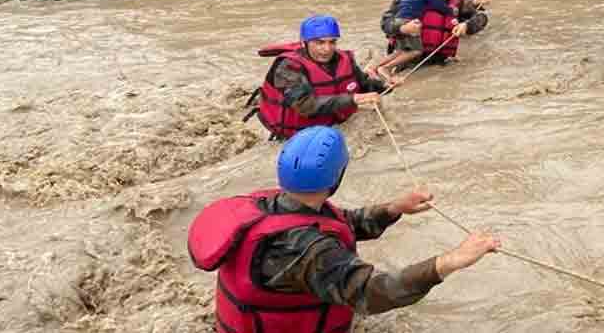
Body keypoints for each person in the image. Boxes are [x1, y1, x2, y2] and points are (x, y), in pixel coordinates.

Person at [188, 126, 501, 333]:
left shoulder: (270, 202)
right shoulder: (310, 251)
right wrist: (453, 260)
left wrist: (394, 208)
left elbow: (341, 222)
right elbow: (372, 293)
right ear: (336, 177)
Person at [249, 15, 396, 140]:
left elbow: (362, 84)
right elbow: (305, 105)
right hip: (294, 135)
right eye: (319, 42)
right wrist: (354, 99)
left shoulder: (344, 59)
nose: (327, 49)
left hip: (332, 126)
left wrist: (386, 85)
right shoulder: (288, 67)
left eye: (332, 42)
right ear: (304, 43)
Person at [372, 0, 456, 81]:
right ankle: (385, 68)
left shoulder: (457, 0)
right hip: (408, 48)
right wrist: (402, 28)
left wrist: (467, 25)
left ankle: (375, 67)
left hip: (435, 62)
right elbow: (386, 23)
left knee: (401, 51)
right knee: (415, 50)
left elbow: (477, 19)